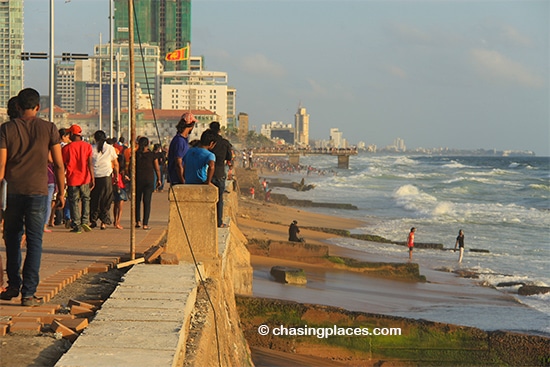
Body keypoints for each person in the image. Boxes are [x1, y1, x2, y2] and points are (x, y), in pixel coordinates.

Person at [0, 88, 65, 306]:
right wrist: (61, 191)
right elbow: (57, 163)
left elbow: (1, 166)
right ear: (38, 107)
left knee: (12, 240)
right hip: (38, 192)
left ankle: (13, 286)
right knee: (35, 241)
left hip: (14, 193)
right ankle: (28, 294)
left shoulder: (7, 129)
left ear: (18, 107)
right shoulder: (49, 128)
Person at [62, 124, 94, 233]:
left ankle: (77, 224)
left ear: (71, 134)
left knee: (74, 201)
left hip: (72, 178)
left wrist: (62, 181)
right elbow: (90, 163)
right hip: (85, 177)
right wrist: (92, 178)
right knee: (86, 199)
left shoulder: (66, 148)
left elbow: (63, 166)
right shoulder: (87, 146)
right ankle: (85, 220)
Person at [90, 130, 119, 230]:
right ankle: (104, 222)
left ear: (95, 138)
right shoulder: (110, 148)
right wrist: (117, 176)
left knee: (94, 199)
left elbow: (89, 163)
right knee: (106, 200)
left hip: (95, 176)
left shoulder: (91, 148)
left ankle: (93, 220)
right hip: (106, 176)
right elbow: (115, 164)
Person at [208, 121, 233, 227]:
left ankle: (208, 221)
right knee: (219, 199)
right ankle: (218, 222)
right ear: (219, 130)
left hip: (208, 172)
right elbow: (229, 158)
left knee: (208, 198)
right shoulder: (224, 143)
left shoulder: (208, 141)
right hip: (219, 173)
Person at [134, 136, 161, 230]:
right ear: (148, 144)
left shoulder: (135, 154)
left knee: (137, 201)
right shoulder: (152, 155)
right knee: (147, 201)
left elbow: (130, 167)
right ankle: (145, 224)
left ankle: (138, 221)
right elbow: (157, 168)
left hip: (138, 179)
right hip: (149, 180)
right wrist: (159, 179)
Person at [167, 112, 197, 185]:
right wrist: (182, 180)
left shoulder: (183, 140)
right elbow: (178, 163)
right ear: (191, 126)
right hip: (178, 180)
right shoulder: (179, 141)